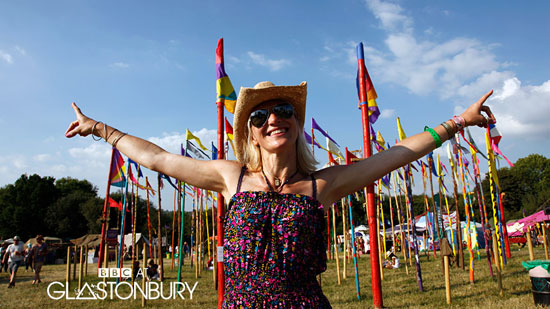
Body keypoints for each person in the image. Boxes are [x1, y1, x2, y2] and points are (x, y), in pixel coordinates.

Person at [66, 80, 494, 307]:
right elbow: (158, 159)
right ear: (250, 131)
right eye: (261, 115)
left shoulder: (320, 185)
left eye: (284, 111)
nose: (274, 119)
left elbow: (395, 155)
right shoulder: (230, 177)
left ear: (296, 124)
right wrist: (101, 129)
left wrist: (457, 122)